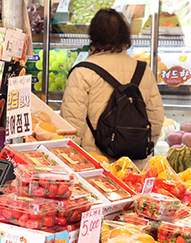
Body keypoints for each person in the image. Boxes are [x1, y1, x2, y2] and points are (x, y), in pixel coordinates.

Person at [61, 8, 163, 166]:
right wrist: (140, 148)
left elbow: (72, 125)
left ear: (94, 35)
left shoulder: (83, 72)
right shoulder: (144, 71)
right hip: (134, 167)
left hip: (96, 165)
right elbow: (156, 120)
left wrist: (74, 162)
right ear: (125, 34)